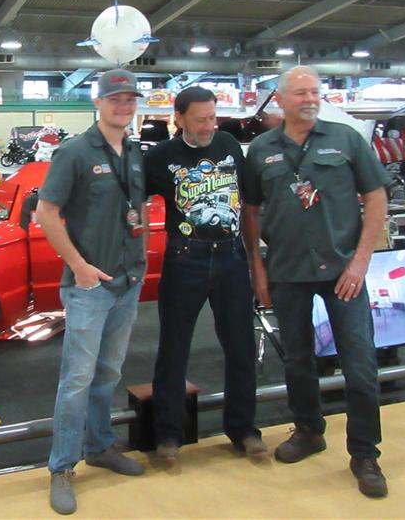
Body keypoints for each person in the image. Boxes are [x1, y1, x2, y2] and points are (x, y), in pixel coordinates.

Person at [242, 66, 391, 498]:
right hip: (287, 270)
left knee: (359, 363)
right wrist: (258, 268)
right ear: (279, 100)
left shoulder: (346, 140)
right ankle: (309, 430)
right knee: (297, 359)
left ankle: (365, 453)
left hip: (344, 271)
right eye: (300, 93)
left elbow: (376, 196)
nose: (310, 99)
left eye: (315, 92)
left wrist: (360, 262)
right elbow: (250, 210)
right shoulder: (262, 150)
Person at [37, 68, 148, 515]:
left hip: (128, 282)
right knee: (77, 380)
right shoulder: (75, 152)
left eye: (130, 99)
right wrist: (78, 266)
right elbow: (46, 212)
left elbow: (136, 209)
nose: (123, 106)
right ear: (97, 102)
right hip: (90, 287)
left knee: (108, 373)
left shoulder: (135, 152)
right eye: (115, 99)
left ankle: (100, 446)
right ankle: (62, 467)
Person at [143, 86, 267, 463]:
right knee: (174, 348)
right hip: (185, 260)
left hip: (231, 258)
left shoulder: (228, 145)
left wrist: (255, 260)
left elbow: (248, 203)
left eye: (212, 117)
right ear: (178, 118)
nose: (209, 126)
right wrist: (137, 251)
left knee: (241, 346)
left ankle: (244, 430)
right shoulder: (159, 157)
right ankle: (168, 435)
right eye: (200, 120)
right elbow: (135, 204)